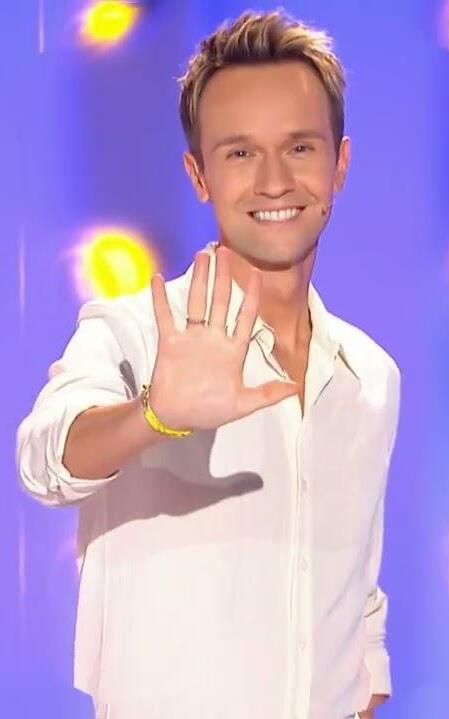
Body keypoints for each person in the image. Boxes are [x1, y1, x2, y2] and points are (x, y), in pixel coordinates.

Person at [16, 9, 401, 719]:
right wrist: (154, 416)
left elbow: (355, 581)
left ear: (339, 164)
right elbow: (44, 460)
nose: (275, 181)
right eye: (240, 153)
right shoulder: (134, 331)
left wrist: (363, 689)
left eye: (300, 147)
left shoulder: (370, 375)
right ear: (198, 174)